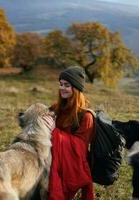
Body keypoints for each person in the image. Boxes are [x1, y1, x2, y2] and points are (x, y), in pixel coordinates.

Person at [48, 66, 95, 200]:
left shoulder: (86, 116)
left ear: (76, 88)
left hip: (73, 163)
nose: (62, 88)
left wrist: (54, 133)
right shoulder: (56, 108)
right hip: (53, 155)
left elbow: (80, 146)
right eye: (61, 84)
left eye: (67, 85)